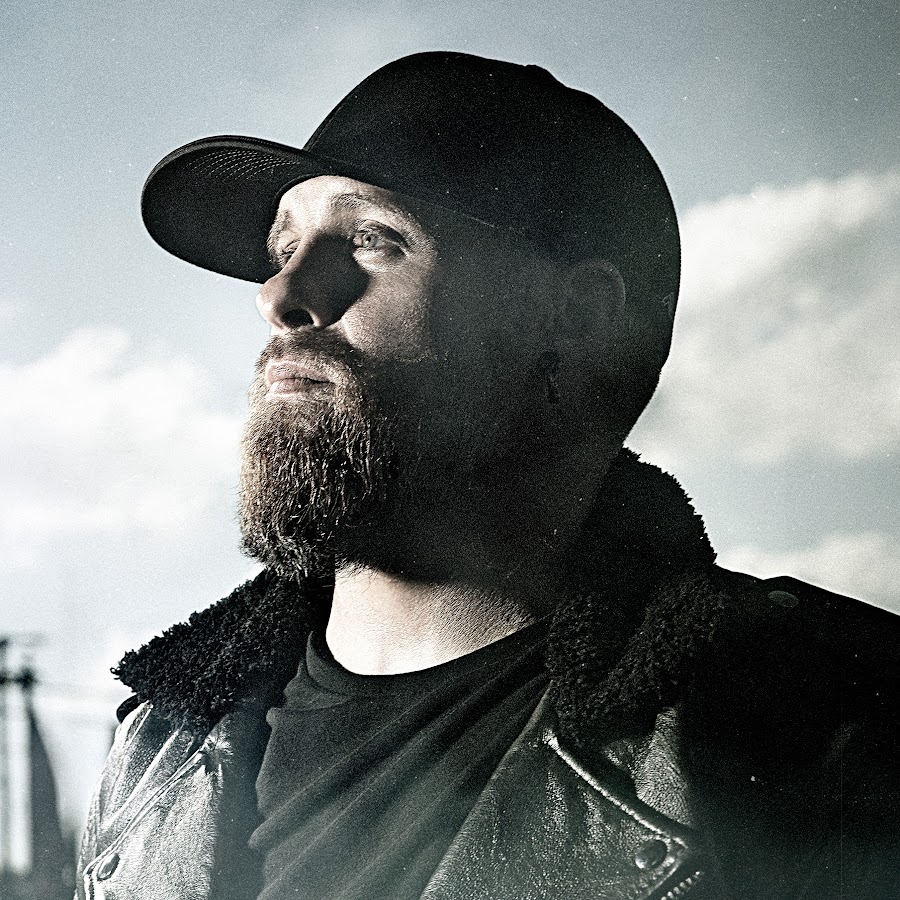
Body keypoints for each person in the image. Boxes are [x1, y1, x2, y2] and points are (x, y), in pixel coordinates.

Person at [76, 52, 899, 900]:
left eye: (374, 239)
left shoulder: (829, 729)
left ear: (579, 317)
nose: (278, 295)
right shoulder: (150, 760)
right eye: (284, 248)